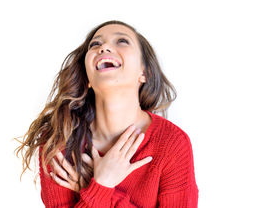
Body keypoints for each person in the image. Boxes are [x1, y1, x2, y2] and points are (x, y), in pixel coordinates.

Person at [15, 20, 199, 207]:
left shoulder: (172, 144)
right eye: (95, 44)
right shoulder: (58, 140)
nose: (104, 47)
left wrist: (98, 189)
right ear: (87, 78)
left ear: (145, 73)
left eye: (122, 41)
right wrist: (102, 185)